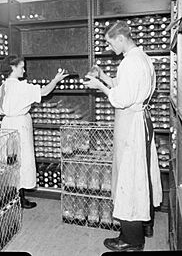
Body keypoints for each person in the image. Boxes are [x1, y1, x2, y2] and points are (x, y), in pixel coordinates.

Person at [83, 20, 162, 252]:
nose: (109, 48)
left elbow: (122, 98)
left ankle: (131, 239)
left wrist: (100, 86)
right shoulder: (143, 58)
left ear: (120, 38)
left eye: (110, 43)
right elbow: (126, 86)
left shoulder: (129, 62)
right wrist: (106, 78)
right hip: (142, 120)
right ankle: (144, 224)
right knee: (143, 172)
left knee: (130, 175)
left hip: (131, 123)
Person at [0, 55, 68, 209]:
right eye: (21, 67)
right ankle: (20, 200)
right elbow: (44, 91)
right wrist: (56, 79)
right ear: (13, 68)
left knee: (11, 160)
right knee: (22, 161)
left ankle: (13, 199)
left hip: (7, 124)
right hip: (20, 125)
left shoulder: (3, 86)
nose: (24, 70)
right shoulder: (21, 86)